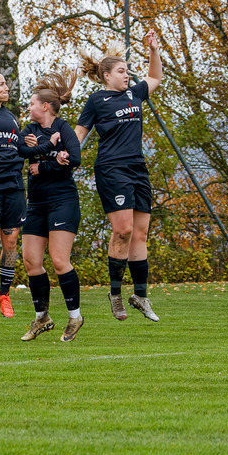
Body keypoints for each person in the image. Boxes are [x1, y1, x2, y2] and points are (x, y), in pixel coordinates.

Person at [75, 31, 162, 322]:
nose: (127, 75)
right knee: (122, 230)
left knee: (140, 233)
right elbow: (78, 135)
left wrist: (154, 50)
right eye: (122, 71)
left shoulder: (134, 93)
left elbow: (155, 78)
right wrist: (63, 155)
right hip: (112, 169)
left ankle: (140, 295)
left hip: (138, 168)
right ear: (107, 76)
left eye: (127, 71)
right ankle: (115, 294)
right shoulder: (97, 101)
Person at [0, 68, 55, 321]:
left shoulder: (11, 116)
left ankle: (4, 295)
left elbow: (15, 147)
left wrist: (25, 145)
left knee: (11, 241)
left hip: (14, 184)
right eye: (2, 84)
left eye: (6, 84)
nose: (7, 88)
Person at [19, 71, 84, 342]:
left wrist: (43, 165)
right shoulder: (29, 130)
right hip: (35, 203)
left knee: (59, 261)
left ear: (44, 106)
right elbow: (21, 152)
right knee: (31, 262)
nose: (29, 107)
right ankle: (42, 318)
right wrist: (50, 152)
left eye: (32, 103)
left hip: (62, 201)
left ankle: (75, 316)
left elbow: (75, 159)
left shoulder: (64, 127)